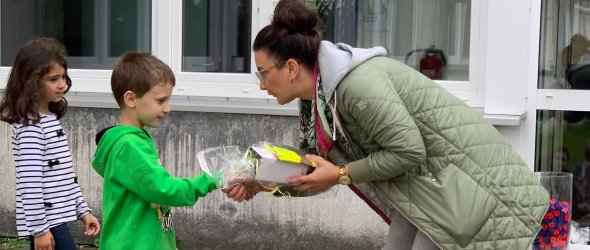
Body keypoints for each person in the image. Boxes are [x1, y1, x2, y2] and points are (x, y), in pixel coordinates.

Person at [238, 0, 551, 249]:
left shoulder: (356, 86)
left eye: (263, 73)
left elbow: (408, 151)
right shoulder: (317, 98)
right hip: (427, 188)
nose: (262, 84)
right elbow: (313, 170)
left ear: (291, 67)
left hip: (470, 187)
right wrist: (263, 181)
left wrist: (342, 175)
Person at [91, 51, 251, 250]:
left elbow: (154, 199)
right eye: (160, 101)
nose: (168, 108)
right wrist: (213, 177)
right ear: (131, 99)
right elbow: (164, 190)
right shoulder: (130, 147)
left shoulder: (137, 141)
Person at [0, 38, 101, 250]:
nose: (62, 84)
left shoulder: (49, 119)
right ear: (31, 82)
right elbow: (31, 184)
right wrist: (40, 230)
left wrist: (83, 211)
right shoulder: (31, 128)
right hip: (48, 225)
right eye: (53, 79)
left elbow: (64, 176)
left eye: (64, 77)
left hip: (55, 222)